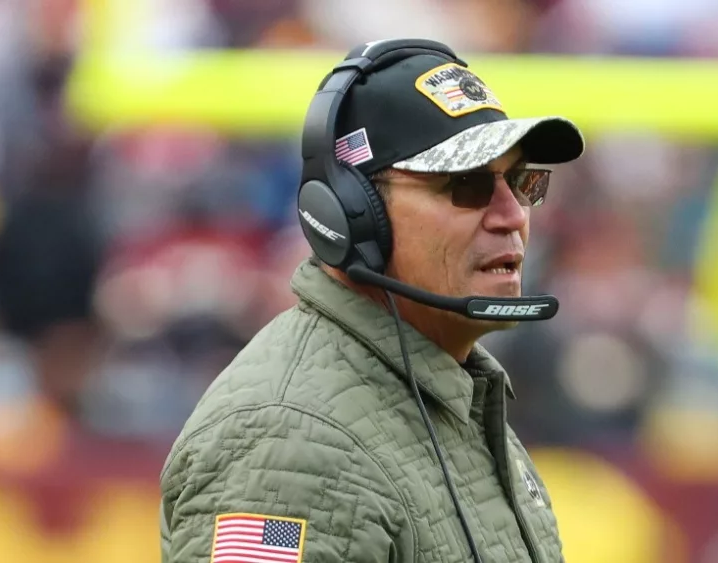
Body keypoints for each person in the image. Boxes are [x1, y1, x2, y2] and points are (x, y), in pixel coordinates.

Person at [160, 38, 585, 563]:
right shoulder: (290, 443)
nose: (514, 215)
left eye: (522, 182)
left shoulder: (453, 394)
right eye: (467, 184)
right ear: (354, 214)